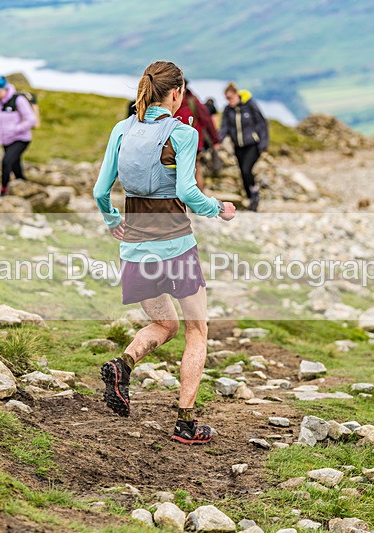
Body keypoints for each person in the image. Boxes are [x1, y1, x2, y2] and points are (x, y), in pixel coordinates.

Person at [93, 61, 236, 445]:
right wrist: (218, 208)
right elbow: (189, 192)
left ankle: (122, 366)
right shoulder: (182, 134)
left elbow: (100, 191)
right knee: (196, 330)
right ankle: (186, 423)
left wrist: (111, 221)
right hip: (175, 247)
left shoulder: (121, 130)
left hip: (135, 248)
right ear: (175, 94)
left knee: (164, 326)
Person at [217, 82, 269, 211]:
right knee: (242, 173)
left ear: (236, 94)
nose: (229, 101)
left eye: (231, 98)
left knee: (247, 169)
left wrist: (263, 144)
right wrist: (218, 141)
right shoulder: (228, 110)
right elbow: (224, 128)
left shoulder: (249, 105)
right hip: (238, 146)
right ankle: (251, 197)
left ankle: (254, 192)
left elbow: (261, 124)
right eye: (227, 99)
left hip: (252, 144)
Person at [0, 76, 38, 197]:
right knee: (15, 165)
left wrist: (15, 129)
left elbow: (31, 119)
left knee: (6, 162)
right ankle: (25, 186)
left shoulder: (18, 100)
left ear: (5, 89)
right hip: (5, 140)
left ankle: (3, 191)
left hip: (21, 139)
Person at [173, 83, 220, 191]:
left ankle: (198, 201)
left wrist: (215, 140)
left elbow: (207, 120)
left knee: (195, 168)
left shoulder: (192, 102)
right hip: (177, 143)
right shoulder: (181, 101)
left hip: (193, 143)